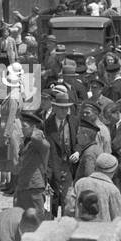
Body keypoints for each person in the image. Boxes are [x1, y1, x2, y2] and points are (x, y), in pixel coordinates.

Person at [43, 85, 78, 218]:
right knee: (51, 200)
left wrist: (78, 152)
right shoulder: (47, 124)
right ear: (55, 108)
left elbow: (79, 141)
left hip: (68, 168)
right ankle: (50, 225)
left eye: (67, 108)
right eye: (62, 108)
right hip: (52, 168)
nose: (64, 111)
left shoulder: (73, 122)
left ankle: (65, 223)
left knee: (67, 201)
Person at [12, 110, 51, 216]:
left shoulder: (38, 142)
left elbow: (46, 146)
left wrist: (36, 132)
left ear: (33, 127)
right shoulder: (26, 141)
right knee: (20, 218)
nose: (22, 129)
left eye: (24, 126)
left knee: (36, 219)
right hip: (22, 186)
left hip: (34, 187)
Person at [68, 152, 121, 221]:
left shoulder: (80, 183)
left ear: (95, 167)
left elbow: (69, 209)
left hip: (81, 229)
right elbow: (119, 219)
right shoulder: (113, 190)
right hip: (104, 230)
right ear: (113, 171)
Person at [0, 67, 23, 193]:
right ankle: (11, 183)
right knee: (10, 155)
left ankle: (14, 185)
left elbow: (11, 115)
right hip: (11, 125)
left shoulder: (13, 97)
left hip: (12, 127)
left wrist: (7, 133)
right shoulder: (15, 94)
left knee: (13, 156)